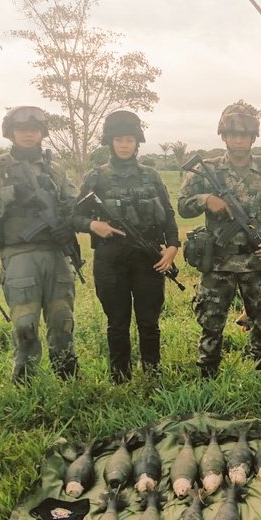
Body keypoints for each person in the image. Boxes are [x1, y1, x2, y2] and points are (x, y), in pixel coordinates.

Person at [177, 100, 261, 377]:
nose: (239, 139)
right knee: (211, 322)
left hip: (257, 260)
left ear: (253, 138)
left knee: (260, 320)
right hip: (217, 261)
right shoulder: (208, 169)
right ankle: (207, 374)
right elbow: (182, 206)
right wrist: (206, 199)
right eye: (233, 134)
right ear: (224, 136)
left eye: (245, 135)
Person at [0, 105, 80, 383]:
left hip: (56, 254)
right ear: (11, 133)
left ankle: (68, 379)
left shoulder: (55, 170)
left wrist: (68, 216)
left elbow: (75, 203)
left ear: (42, 133)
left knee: (62, 320)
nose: (29, 134)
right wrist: (11, 193)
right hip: (20, 254)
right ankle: (25, 383)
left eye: (34, 129)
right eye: (22, 130)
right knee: (25, 324)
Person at [75, 111, 180, 383]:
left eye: (129, 139)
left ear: (137, 142)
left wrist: (172, 248)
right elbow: (72, 217)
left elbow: (168, 215)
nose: (124, 144)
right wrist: (92, 225)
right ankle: (120, 377)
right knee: (117, 323)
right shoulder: (96, 177)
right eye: (119, 139)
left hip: (148, 258)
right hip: (111, 259)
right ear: (110, 142)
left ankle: (152, 373)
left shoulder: (151, 176)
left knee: (149, 322)